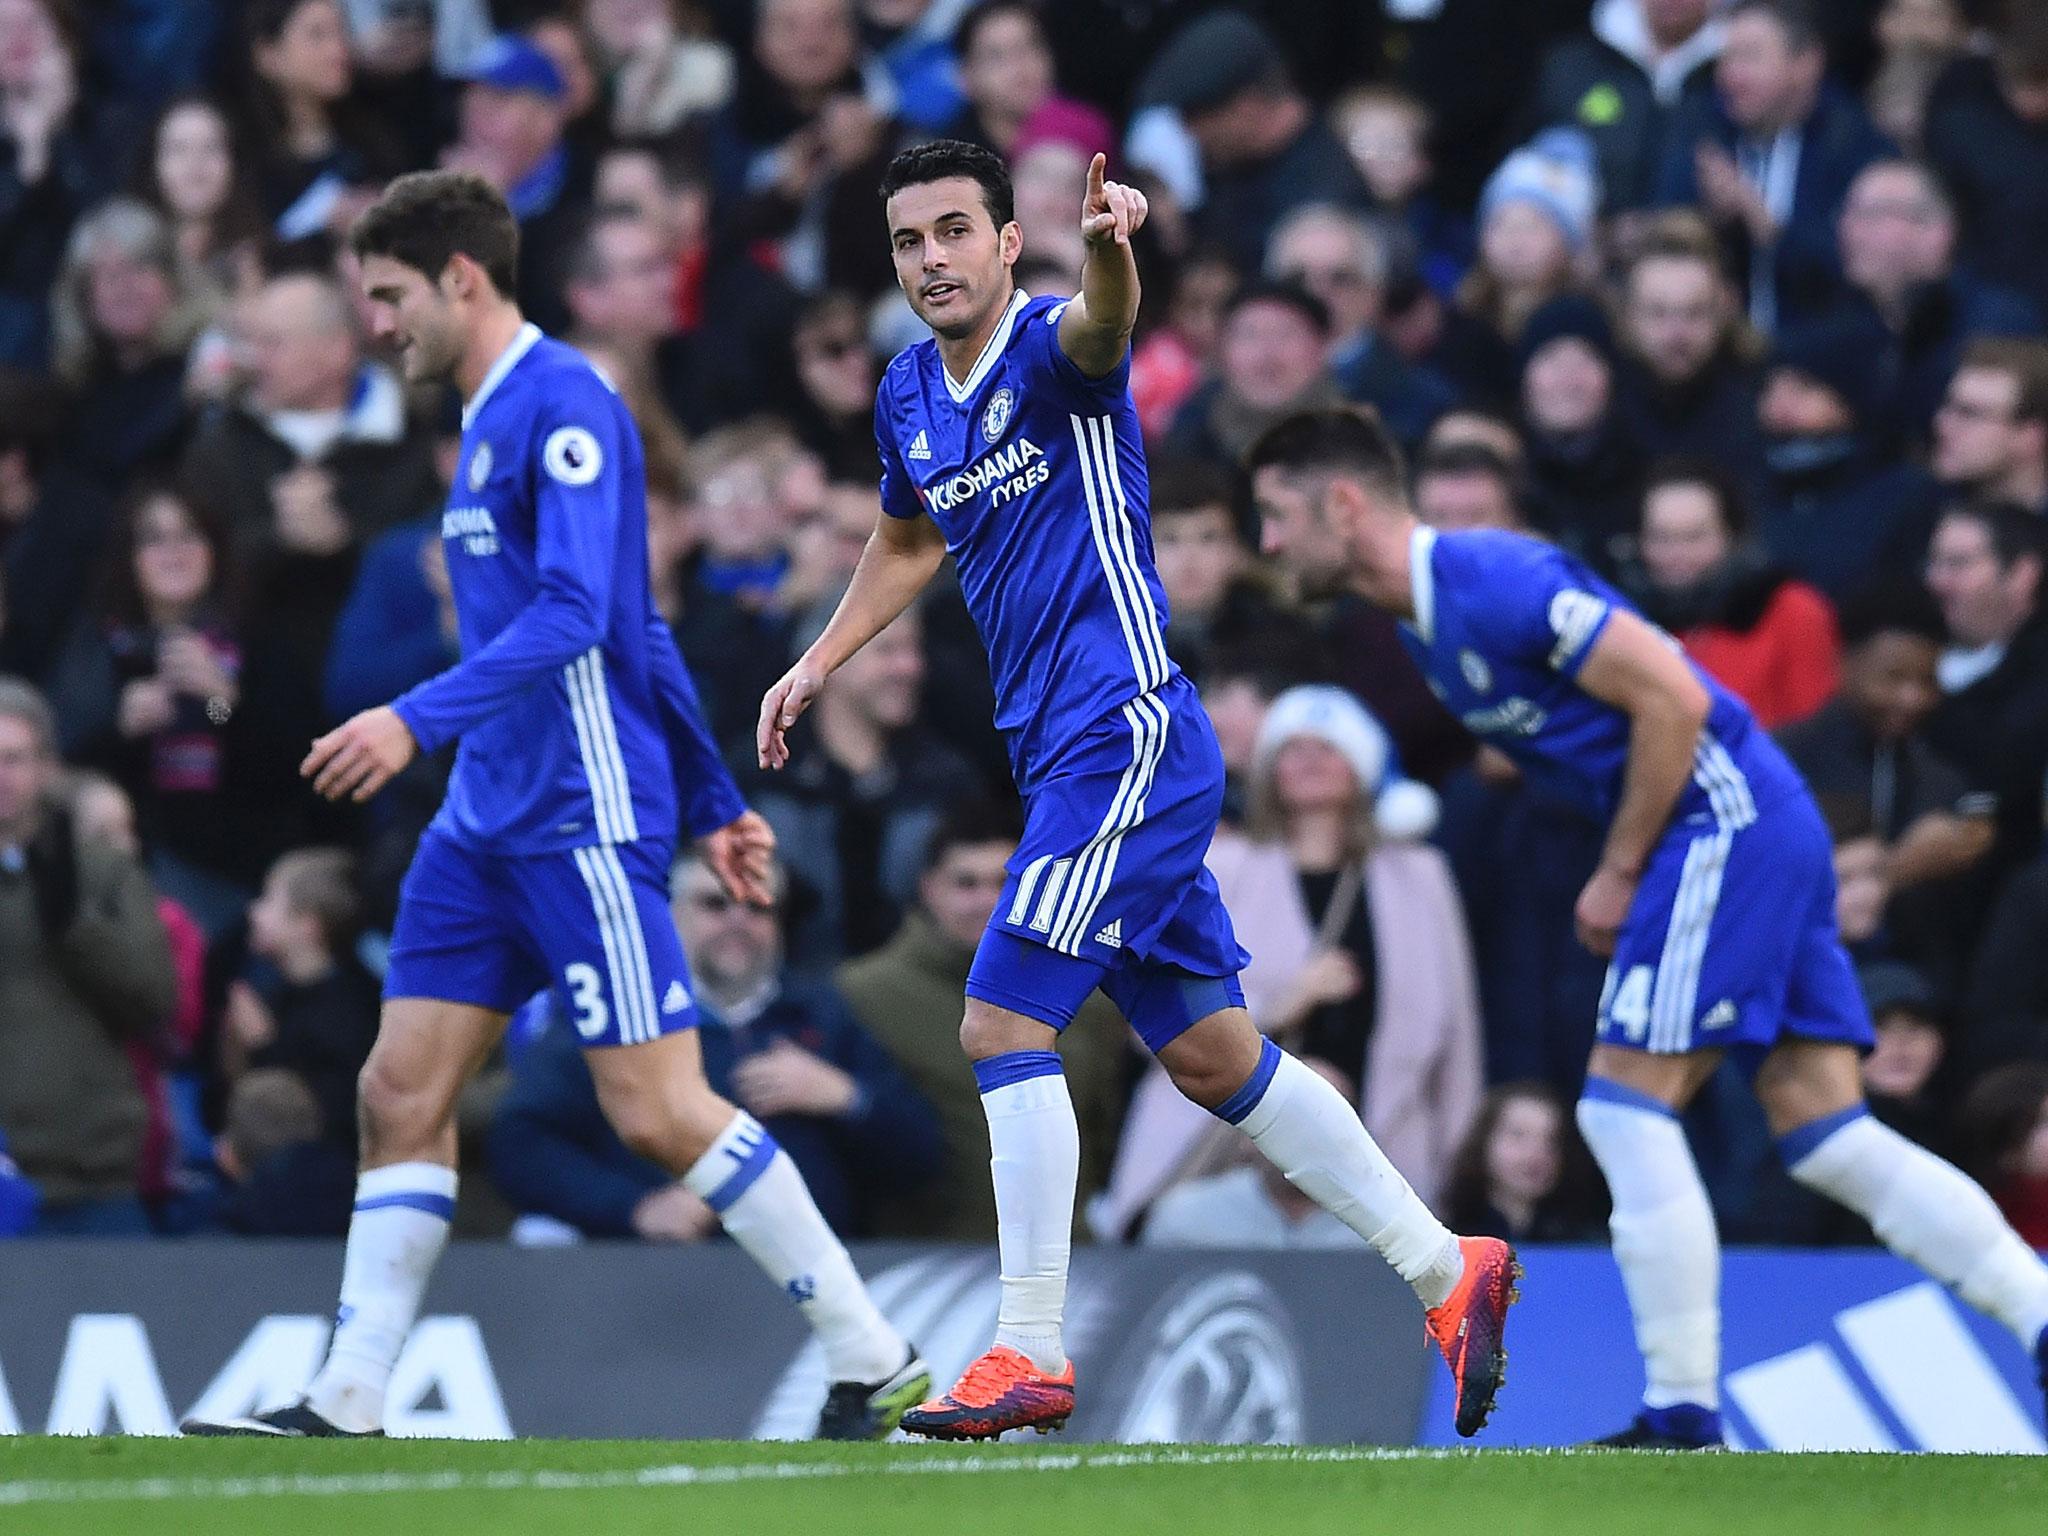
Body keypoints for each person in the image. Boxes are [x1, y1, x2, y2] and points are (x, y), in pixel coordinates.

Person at [759, 140, 1515, 1442]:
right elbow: (903, 538)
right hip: (1062, 754)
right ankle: (1449, 1271)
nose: (932, 258)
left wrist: (1112, 251)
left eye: (955, 231)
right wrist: (823, 658)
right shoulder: (905, 396)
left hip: (1123, 739)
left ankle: (1028, 1347)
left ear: (1007, 243)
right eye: (908, 241)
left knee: (1000, 1026)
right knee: (1217, 1057)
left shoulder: (1056, 347)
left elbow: (1107, 326)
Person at [179, 170, 926, 1443]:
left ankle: (874, 1356)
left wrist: (418, 716)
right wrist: (711, 799)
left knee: (655, 1110)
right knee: (396, 1091)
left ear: (459, 279)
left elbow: (593, 616)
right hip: (482, 826)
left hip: (579, 818)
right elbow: (637, 622)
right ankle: (348, 1396)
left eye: (388, 296)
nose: (378, 325)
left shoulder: (565, 404)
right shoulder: (484, 420)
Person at [1248, 404, 2048, 1449]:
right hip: (1742, 827)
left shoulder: (1494, 580)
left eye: (1272, 516)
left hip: (1719, 826)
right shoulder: (1428, 632)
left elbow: (1670, 697)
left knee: (1623, 1111)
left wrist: (1621, 871)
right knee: (1828, 1137)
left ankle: (1680, 1408)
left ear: (1339, 504)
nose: (1267, 545)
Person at [490, 848, 942, 1240]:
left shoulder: (823, 1014)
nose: (739, 921)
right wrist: (636, 1208)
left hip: (815, 1294)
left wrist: (846, 1097)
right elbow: (522, 1144)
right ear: (670, 914)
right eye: (715, 903)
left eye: (759, 906)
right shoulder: (618, 1017)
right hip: (656, 1288)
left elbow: (922, 1157)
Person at [836, 797, 1129, 1241]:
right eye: (966, 884)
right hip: (920, 1268)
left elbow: (1106, 1131)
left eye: (1002, 883)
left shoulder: (1089, 997)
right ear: (929, 888)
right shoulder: (861, 993)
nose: (986, 901)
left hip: (1065, 1259)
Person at [0, 677, 178, 1236]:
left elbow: (154, 1000)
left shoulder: (102, 871)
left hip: (89, 1181)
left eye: (13, 759)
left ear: (48, 768)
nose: (0, 777)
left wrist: (76, 926)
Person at [1656, 0, 1892, 332]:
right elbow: (1667, 238)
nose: (1729, 75)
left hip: (1824, 348)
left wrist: (1758, 217)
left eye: (1749, 57)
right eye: (1726, 58)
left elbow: (1850, 273)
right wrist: (1708, 218)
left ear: (1806, 64)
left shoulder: (1854, 144)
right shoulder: (1702, 130)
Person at [1625, 457, 1838, 730]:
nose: (1676, 555)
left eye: (1694, 537)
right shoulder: (1627, 618)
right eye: (1660, 538)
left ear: (1732, 536)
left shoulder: (1792, 610)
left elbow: (1814, 733)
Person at [223, 846, 380, 1149]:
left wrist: (263, 1047)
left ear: (308, 925)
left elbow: (322, 1123)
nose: (253, 912)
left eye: (268, 900)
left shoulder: (350, 1015)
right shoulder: (275, 994)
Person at [1923, 502, 2048, 871]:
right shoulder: (1914, 652)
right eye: (1935, 562)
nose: (1937, 581)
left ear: (2022, 574)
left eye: (1959, 564)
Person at [1442, 1081, 1607, 1243]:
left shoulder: (1585, 1245)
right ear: (1483, 1141)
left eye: (1551, 1140)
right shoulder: (1447, 1243)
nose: (1536, 1153)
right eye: (1518, 1135)